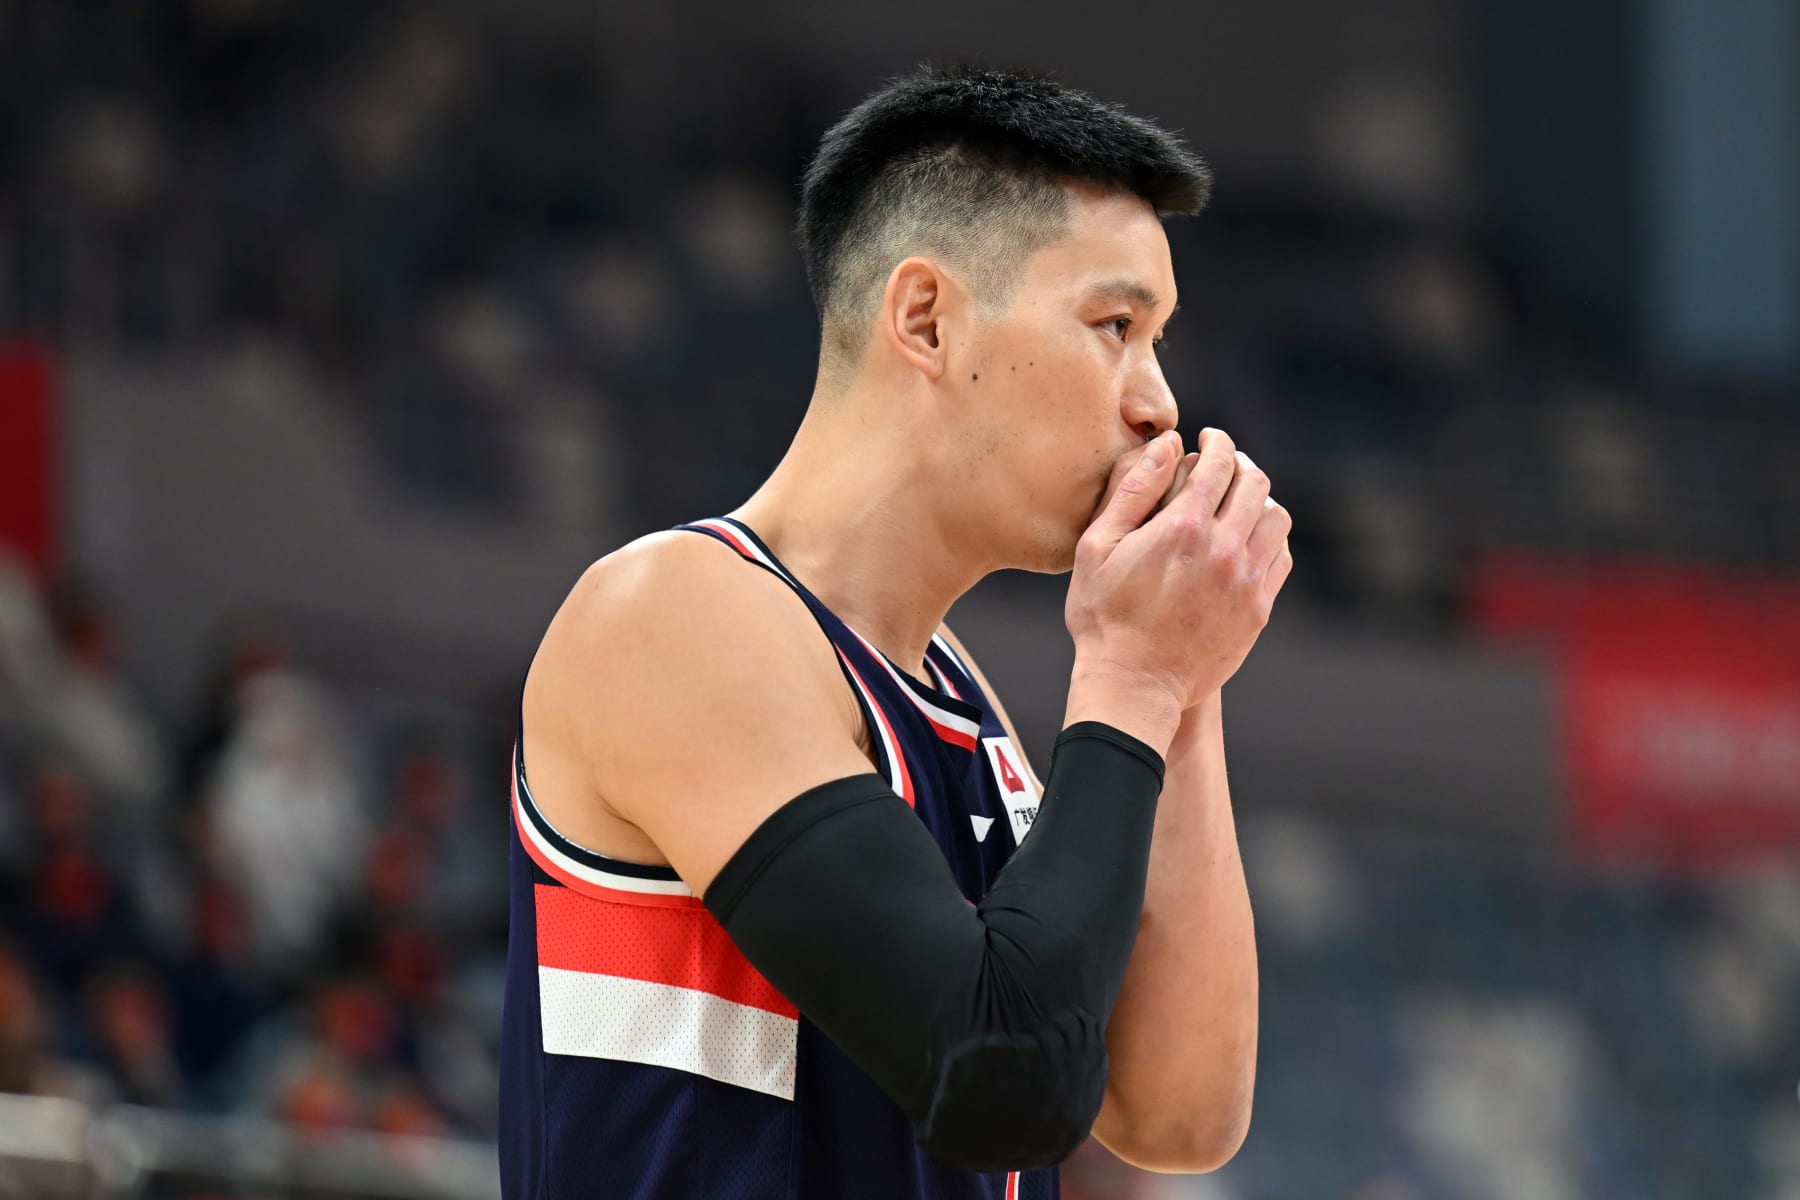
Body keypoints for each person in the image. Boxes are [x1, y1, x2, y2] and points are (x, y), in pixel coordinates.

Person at [500, 64, 1289, 1199]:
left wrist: (1185, 671)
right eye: (1115, 324)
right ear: (925, 318)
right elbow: (1004, 1082)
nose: (1159, 402)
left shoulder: (961, 701)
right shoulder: (673, 614)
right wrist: (1136, 674)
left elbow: (1182, 1114)